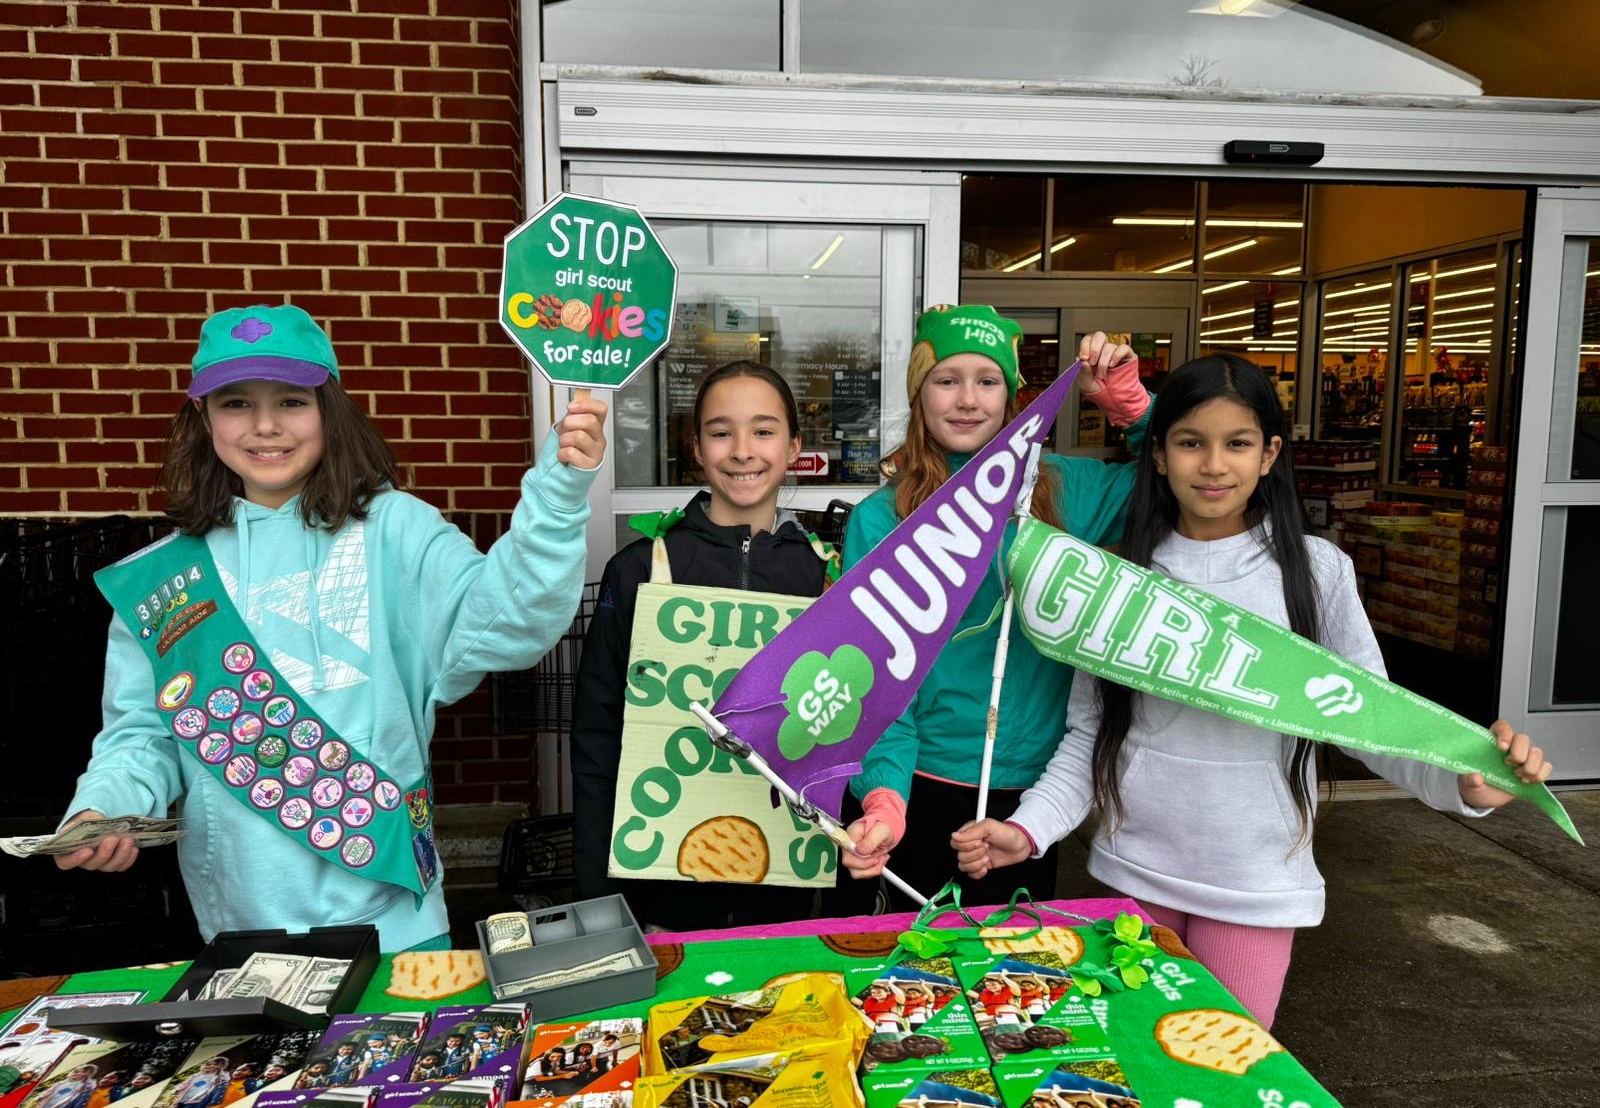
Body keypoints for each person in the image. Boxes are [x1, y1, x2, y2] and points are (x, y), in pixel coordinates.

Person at [951, 353, 1554, 1028]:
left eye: (1237, 443)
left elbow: (1371, 722)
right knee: (1139, 1084)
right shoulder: (1117, 580)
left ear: (1269, 454)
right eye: (1190, 443)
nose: (1213, 465)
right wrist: (1025, 830)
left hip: (1256, 889)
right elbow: (1090, 736)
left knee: (1224, 1083)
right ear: (1157, 455)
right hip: (1134, 877)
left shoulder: (1316, 572)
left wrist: (1464, 781)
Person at [52, 304, 606, 952]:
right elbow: (143, 733)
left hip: (397, 922)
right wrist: (105, 804)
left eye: (291, 401)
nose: (264, 426)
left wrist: (560, 492)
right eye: (235, 404)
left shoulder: (397, 531)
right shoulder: (163, 581)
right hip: (241, 933)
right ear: (202, 417)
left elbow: (509, 618)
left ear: (328, 410)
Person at [835, 306, 1151, 909]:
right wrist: (883, 799)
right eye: (946, 379)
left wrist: (1132, 409)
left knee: (1013, 983)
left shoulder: (1068, 489)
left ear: (1013, 395)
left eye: (988, 380)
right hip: (915, 786)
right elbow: (875, 675)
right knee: (905, 988)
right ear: (919, 393)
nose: (967, 399)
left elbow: (1186, 476)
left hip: (1030, 799)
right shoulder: (881, 519)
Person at [571, 360, 831, 930]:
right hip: (658, 880)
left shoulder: (825, 578)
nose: (743, 450)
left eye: (764, 431)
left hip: (785, 883)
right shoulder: (637, 570)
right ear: (696, 447)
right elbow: (597, 738)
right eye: (721, 432)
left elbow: (843, 740)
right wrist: (600, 899)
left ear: (794, 447)